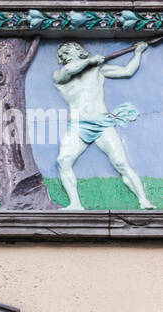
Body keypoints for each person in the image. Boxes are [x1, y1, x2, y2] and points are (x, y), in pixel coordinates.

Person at [53, 41, 152, 211]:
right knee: (63, 161)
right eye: (61, 54)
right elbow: (69, 70)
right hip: (78, 125)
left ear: (79, 51)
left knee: (121, 163)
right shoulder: (59, 74)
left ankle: (144, 200)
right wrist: (89, 61)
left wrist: (138, 53)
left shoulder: (98, 69)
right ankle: (75, 204)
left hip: (102, 124)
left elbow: (127, 71)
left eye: (67, 51)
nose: (63, 56)